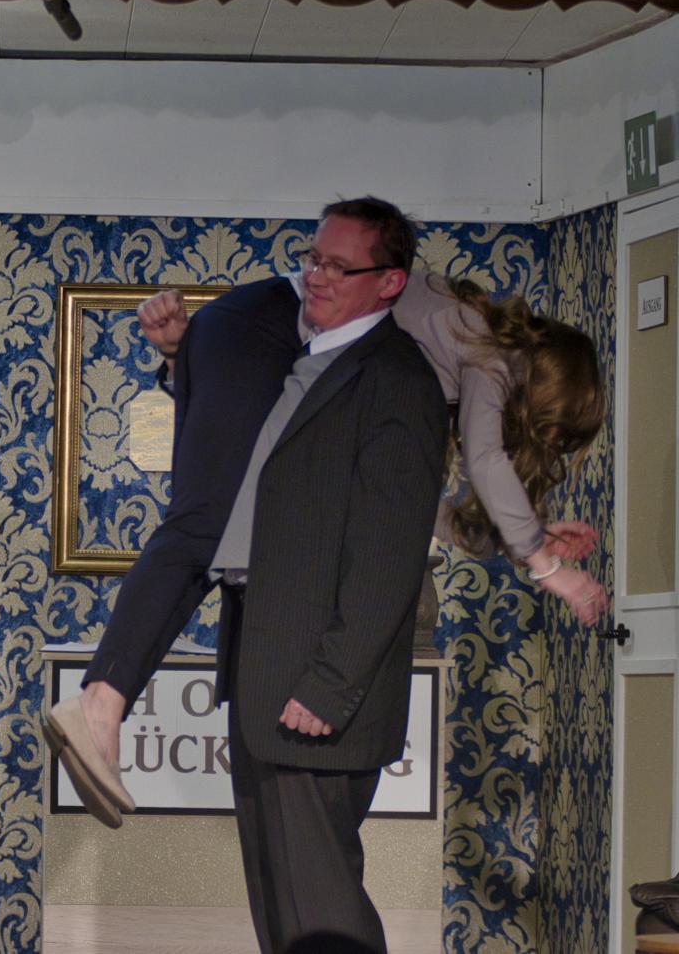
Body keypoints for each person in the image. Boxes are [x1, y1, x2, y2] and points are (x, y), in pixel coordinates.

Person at [44, 199, 607, 820]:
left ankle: (101, 703)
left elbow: (419, 506)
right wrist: (548, 566)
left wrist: (516, 538)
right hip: (261, 331)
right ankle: (99, 702)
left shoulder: (441, 353)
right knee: (205, 526)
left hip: (250, 341)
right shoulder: (484, 349)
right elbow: (486, 458)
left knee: (210, 527)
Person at [46, 198, 449, 953]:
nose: (316, 277)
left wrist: (330, 685)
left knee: (322, 916)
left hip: (316, 698)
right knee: (283, 917)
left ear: (390, 282)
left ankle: (103, 698)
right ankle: (103, 698)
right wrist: (181, 361)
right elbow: (239, 465)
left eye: (339, 267)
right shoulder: (305, 360)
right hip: (264, 677)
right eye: (313, 259)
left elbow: (388, 560)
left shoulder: (397, 381)